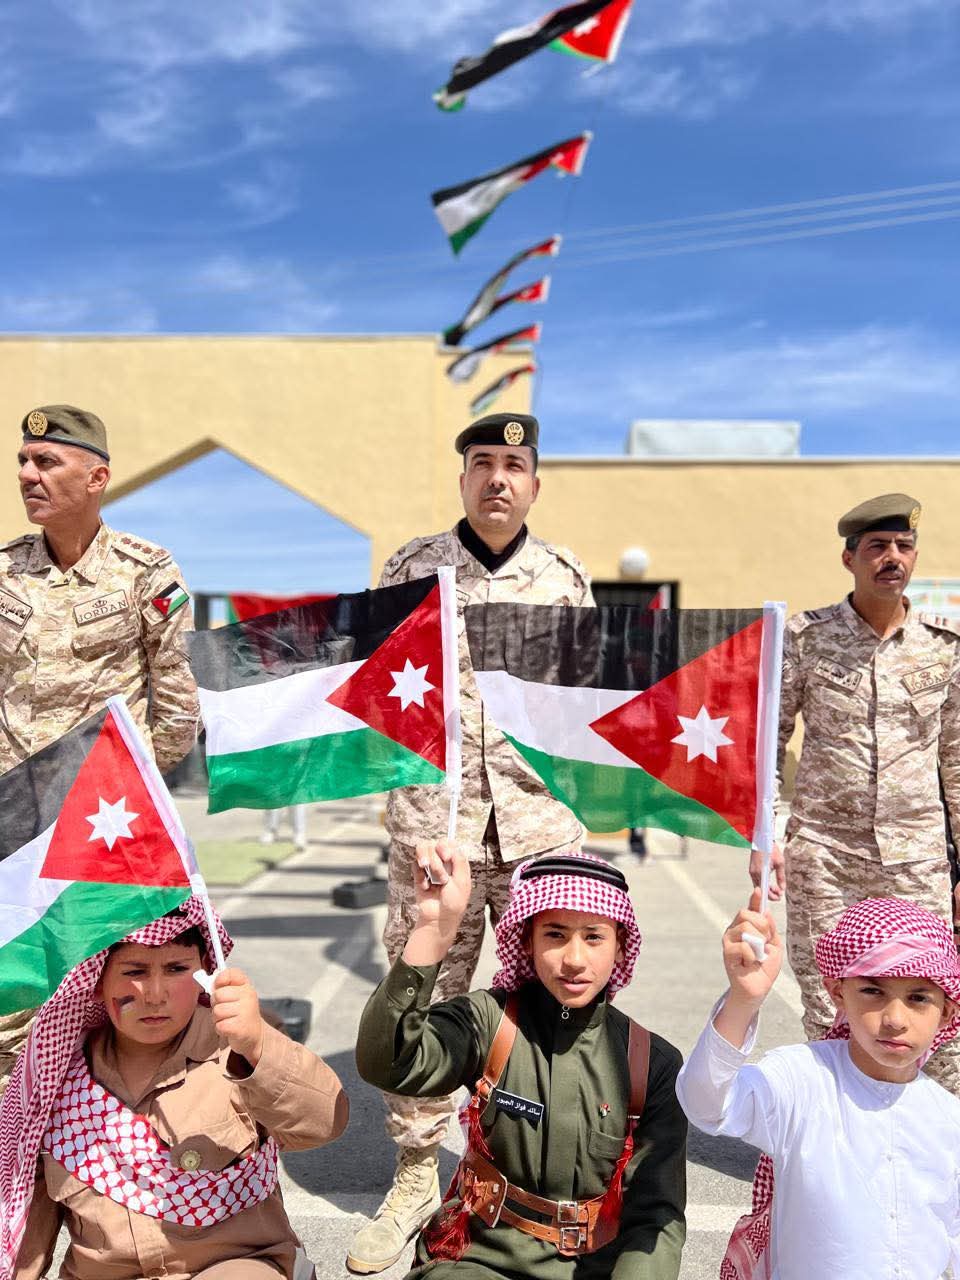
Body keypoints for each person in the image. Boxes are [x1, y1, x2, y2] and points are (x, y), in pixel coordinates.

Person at [348, 413, 594, 1272]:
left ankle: (530, 1168)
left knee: (551, 1002)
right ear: (462, 478)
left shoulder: (564, 578)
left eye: (513, 465)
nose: (497, 478)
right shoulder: (412, 569)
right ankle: (417, 1173)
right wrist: (410, 814)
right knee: (423, 995)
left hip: (537, 826)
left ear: (534, 483)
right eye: (482, 462)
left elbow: (580, 708)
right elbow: (380, 696)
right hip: (437, 829)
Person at [355, 843, 687, 1280]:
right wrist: (433, 929)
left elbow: (656, 1217)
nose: (574, 960)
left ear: (621, 947)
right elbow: (389, 1063)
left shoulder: (650, 1064)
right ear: (527, 942)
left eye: (593, 937)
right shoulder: (490, 1022)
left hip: (595, 1268)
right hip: (481, 1258)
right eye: (555, 935)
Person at [0, 405, 200, 1096]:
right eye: (24, 461)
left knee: (116, 988)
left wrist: (133, 792)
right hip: (16, 823)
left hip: (104, 824)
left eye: (47, 461)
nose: (28, 474)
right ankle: (17, 1140)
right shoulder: (4, 572)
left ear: (96, 478)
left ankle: (105, 1143)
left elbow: (177, 701)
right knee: (15, 993)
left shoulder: (145, 570)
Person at [2, 896, 349, 1280]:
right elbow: (25, 1224)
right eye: (134, 971)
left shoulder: (238, 1045)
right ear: (97, 980)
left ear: (204, 971)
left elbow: (324, 1122)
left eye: (176, 969)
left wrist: (258, 1046)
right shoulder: (55, 1076)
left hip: (236, 1265)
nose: (155, 994)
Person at [755, 492, 960, 1091]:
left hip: (917, 856)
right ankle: (835, 1127)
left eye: (903, 546)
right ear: (850, 559)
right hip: (827, 853)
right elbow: (769, 741)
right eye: (877, 547)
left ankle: (938, 1128)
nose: (892, 557)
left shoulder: (944, 647)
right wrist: (764, 836)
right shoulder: (805, 638)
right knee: (829, 1001)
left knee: (932, 997)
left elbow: (956, 761)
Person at [677, 892, 960, 1279]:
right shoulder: (802, 1078)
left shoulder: (948, 1116)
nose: (895, 1019)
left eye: (918, 998)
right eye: (873, 991)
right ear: (837, 993)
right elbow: (706, 1105)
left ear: (946, 1012)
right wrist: (743, 1000)